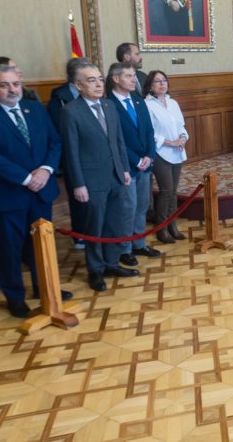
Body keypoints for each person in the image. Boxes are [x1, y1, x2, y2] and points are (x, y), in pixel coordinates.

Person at [0, 63, 68, 318]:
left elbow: (54, 142)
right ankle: (15, 296)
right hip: (8, 194)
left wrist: (45, 170)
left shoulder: (35, 108)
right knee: (10, 249)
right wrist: (25, 178)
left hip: (42, 190)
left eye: (15, 84)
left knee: (42, 243)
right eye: (4, 85)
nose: (12, 90)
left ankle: (44, 287)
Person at [61, 64, 136, 292]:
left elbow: (118, 141)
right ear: (79, 85)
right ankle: (95, 269)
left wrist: (124, 169)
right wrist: (78, 184)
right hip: (91, 181)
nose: (98, 84)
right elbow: (70, 151)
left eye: (100, 79)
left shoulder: (109, 105)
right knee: (95, 226)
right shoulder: (70, 111)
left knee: (114, 223)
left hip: (115, 175)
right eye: (91, 80)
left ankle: (112, 263)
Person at [108, 62, 160, 265]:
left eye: (134, 76)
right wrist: (135, 159)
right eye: (129, 76)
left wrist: (149, 155)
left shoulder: (138, 101)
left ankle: (139, 244)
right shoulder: (108, 104)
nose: (134, 80)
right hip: (127, 166)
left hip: (145, 163)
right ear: (116, 79)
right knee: (126, 208)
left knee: (141, 206)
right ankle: (124, 249)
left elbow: (148, 131)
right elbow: (114, 138)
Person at [48, 57, 92, 252]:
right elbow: (58, 128)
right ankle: (80, 234)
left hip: (93, 153)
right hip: (71, 153)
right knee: (78, 197)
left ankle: (96, 232)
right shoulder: (60, 97)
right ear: (76, 78)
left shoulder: (96, 95)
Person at [144, 70, 188, 244]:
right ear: (150, 85)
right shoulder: (147, 105)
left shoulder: (173, 103)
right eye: (157, 81)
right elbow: (150, 132)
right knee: (166, 190)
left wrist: (183, 138)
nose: (162, 84)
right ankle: (161, 228)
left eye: (164, 80)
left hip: (177, 150)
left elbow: (181, 126)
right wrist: (170, 142)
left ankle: (173, 225)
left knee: (174, 191)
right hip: (161, 152)